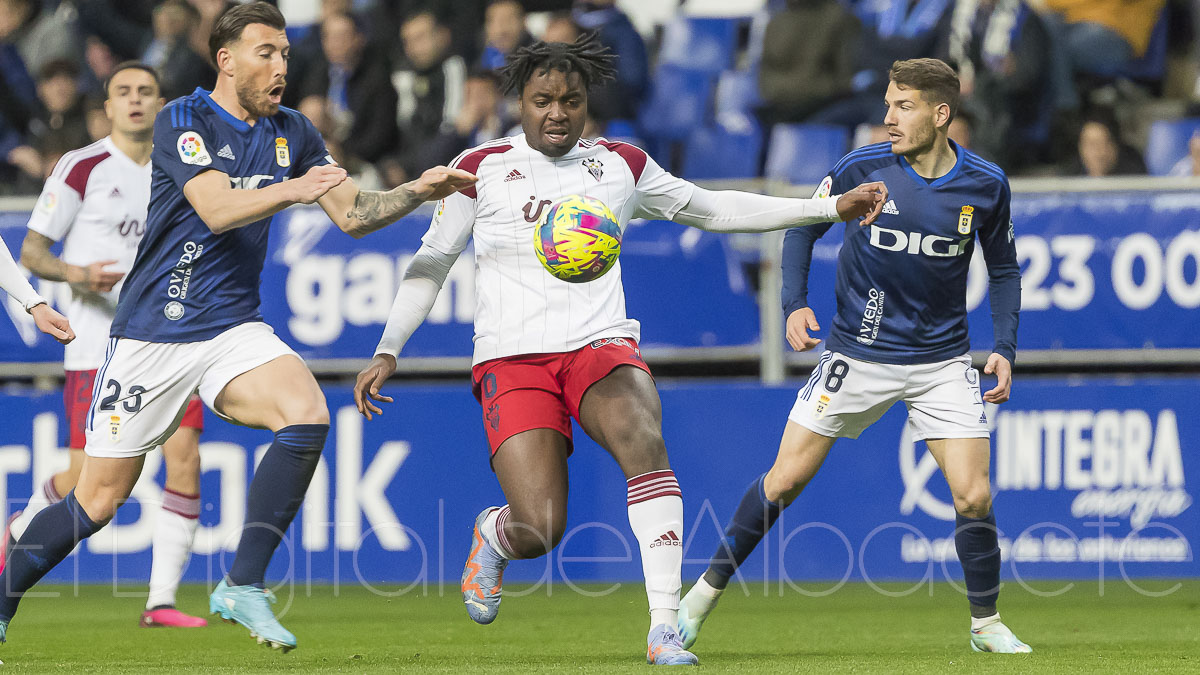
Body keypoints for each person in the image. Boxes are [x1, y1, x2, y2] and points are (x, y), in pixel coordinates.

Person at [351, 34, 886, 666]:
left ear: (586, 105)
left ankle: (664, 626)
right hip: (512, 358)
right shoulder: (480, 169)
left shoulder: (621, 166)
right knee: (539, 526)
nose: (557, 113)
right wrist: (388, 348)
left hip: (598, 346)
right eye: (544, 100)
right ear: (519, 102)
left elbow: (713, 209)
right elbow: (432, 261)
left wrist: (822, 207)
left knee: (642, 436)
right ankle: (493, 536)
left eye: (571, 101)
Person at [0, 2, 475, 651]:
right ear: (226, 60)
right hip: (151, 336)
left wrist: (420, 190)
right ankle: (3, 600)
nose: (281, 65)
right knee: (96, 502)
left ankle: (242, 584)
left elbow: (354, 212)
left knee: (307, 411)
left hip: (231, 327)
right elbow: (216, 207)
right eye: (265, 53)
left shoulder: (294, 131)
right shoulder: (184, 119)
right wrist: (293, 189)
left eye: (284, 52)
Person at [676, 58, 1030, 655]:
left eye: (904, 106)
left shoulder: (986, 184)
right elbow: (804, 228)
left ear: (941, 114)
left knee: (974, 496)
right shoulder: (860, 167)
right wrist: (792, 303)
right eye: (888, 104)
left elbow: (1003, 269)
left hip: (943, 362)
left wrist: (1004, 347)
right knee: (784, 479)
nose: (888, 118)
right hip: (857, 356)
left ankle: (986, 624)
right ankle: (700, 597)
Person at [12, 62, 208, 629]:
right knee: (85, 483)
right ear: (108, 105)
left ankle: (162, 601)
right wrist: (76, 273)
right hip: (97, 345)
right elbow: (32, 251)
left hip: (168, 341)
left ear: (161, 103)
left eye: (146, 91)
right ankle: (18, 535)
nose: (136, 101)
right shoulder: (83, 167)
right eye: (124, 92)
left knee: (185, 457)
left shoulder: (181, 168)